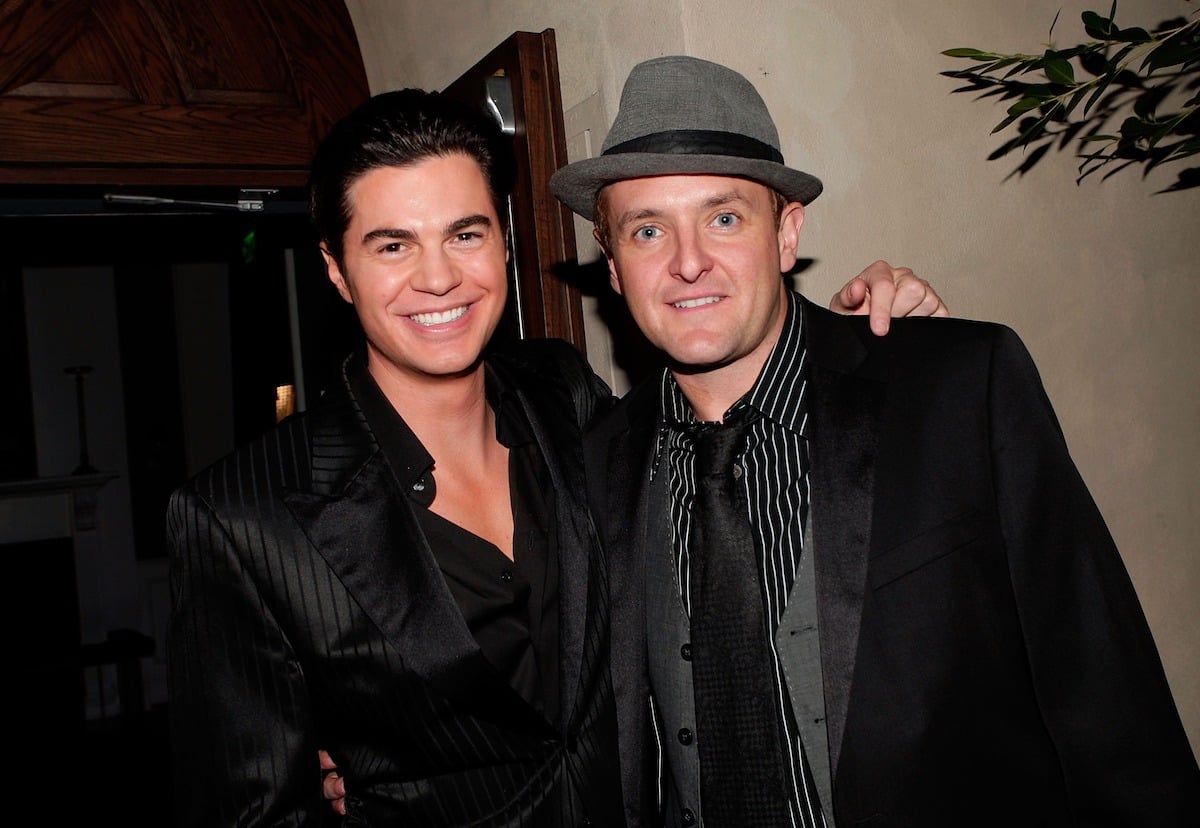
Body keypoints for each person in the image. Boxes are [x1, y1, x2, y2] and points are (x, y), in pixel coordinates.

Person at [168, 85, 944, 826]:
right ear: (337, 269)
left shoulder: (568, 400)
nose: (438, 277)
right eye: (393, 245)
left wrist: (850, 338)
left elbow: (725, 448)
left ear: (504, 242)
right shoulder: (240, 516)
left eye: (465, 234)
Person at [548, 55, 1200, 826]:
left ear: (786, 233)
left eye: (724, 218)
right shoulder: (596, 463)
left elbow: (1104, 695)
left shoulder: (959, 388)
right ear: (614, 267)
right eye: (648, 230)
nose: (689, 262)